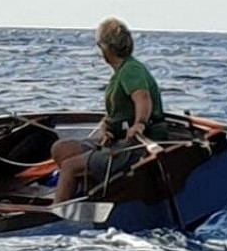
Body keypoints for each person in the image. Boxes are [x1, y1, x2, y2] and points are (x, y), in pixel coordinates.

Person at [51, 17, 166, 204]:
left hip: (134, 146)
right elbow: (118, 112)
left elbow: (143, 98)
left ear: (106, 48)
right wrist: (106, 126)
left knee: (69, 166)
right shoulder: (121, 72)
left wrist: (140, 123)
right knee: (61, 149)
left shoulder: (131, 70)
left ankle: (59, 211)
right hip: (116, 140)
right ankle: (87, 191)